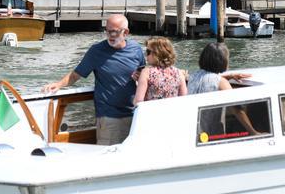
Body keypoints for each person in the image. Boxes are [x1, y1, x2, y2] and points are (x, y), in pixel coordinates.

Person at [42, 14, 145, 145]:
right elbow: (76, 74)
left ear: (126, 33)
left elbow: (143, 73)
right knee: (107, 159)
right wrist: (59, 84)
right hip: (109, 118)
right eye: (107, 31)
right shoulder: (96, 51)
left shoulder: (136, 49)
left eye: (115, 31)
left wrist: (139, 76)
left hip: (135, 115)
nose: (110, 35)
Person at [133, 37, 187, 105]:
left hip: (152, 113)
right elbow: (184, 99)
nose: (146, 55)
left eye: (148, 52)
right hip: (172, 113)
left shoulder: (146, 73)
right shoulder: (179, 73)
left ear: (157, 53)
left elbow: (138, 102)